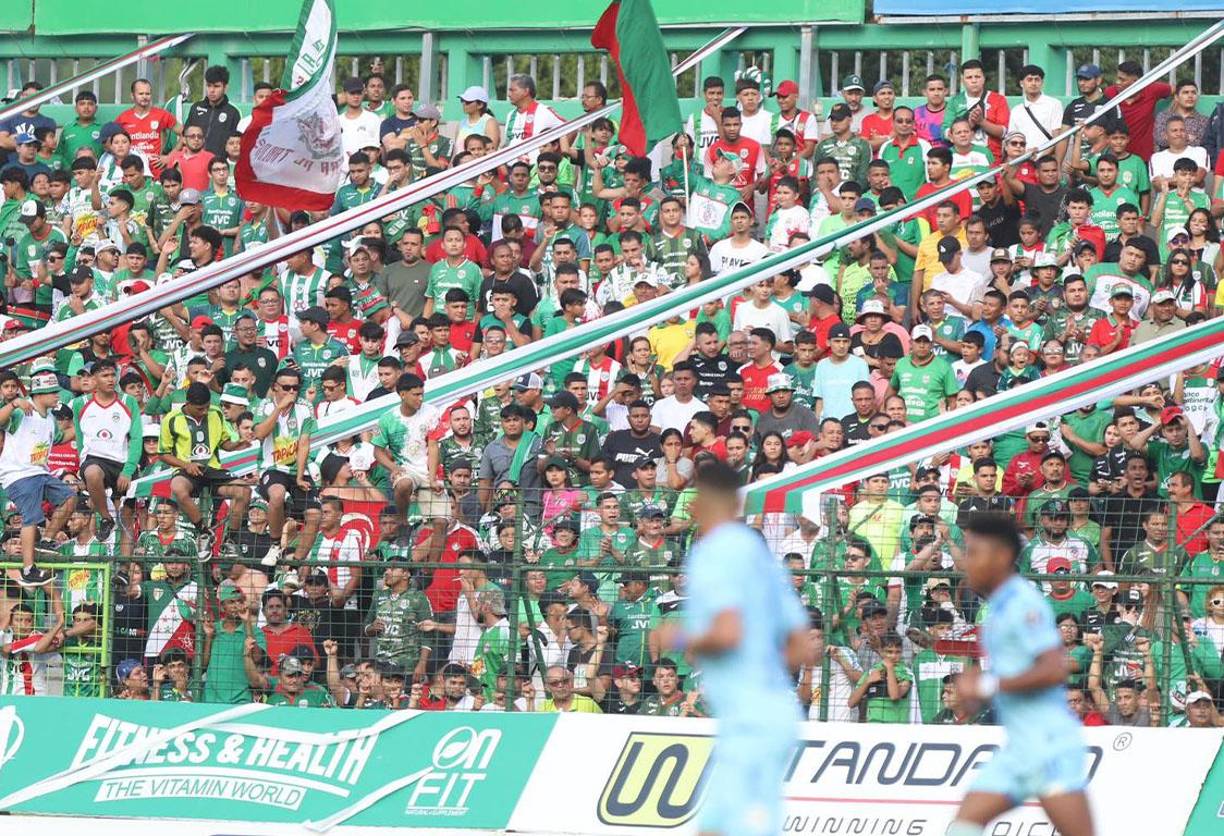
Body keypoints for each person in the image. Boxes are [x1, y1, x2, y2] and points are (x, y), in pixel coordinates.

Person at [664, 461, 806, 836]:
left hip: (749, 718)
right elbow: (800, 643)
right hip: (774, 710)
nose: (691, 505)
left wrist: (677, 638)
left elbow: (727, 633)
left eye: (695, 495)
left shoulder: (715, 552)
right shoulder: (758, 554)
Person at [949, 513, 1094, 836]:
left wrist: (987, 684)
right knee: (963, 826)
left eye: (974, 553)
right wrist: (972, 695)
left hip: (1049, 745)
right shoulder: (998, 606)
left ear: (1001, 557)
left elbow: (1055, 668)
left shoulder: (1023, 603)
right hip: (1019, 748)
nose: (966, 562)